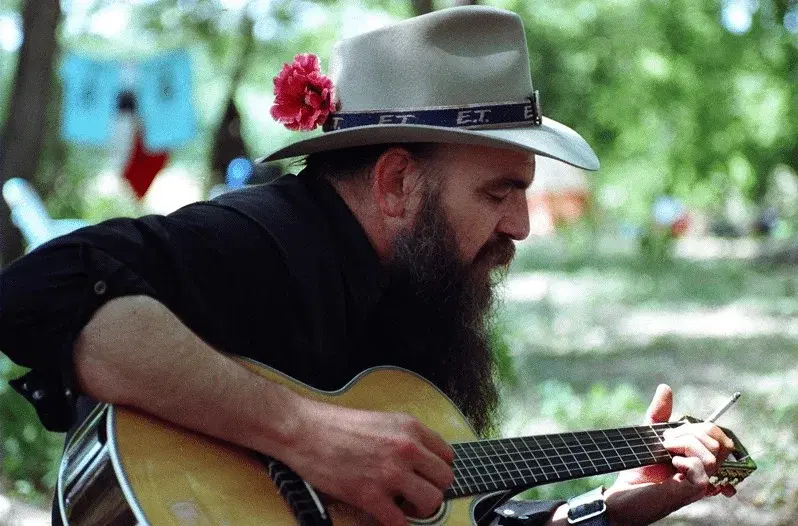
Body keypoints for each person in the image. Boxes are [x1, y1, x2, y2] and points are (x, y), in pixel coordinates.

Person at [0, 6, 735, 525]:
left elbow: (458, 519)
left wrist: (611, 507)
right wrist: (302, 433)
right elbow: (39, 291)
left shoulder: (421, 299)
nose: (519, 224)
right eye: (498, 192)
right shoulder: (261, 239)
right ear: (395, 184)